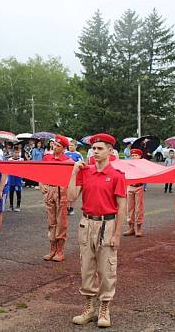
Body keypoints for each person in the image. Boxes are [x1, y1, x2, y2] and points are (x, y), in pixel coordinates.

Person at [67, 133, 127, 328]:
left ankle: (104, 308)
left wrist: (117, 234)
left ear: (110, 150)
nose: (95, 151)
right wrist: (74, 172)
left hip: (107, 225)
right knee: (87, 268)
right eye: (94, 148)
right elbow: (71, 197)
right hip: (87, 223)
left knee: (107, 268)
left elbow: (122, 207)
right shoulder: (86, 172)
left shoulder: (117, 176)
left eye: (100, 148)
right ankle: (89, 308)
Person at [40, 135, 72, 262]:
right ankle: (52, 249)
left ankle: (60, 250)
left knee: (61, 221)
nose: (55, 147)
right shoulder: (47, 158)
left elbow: (72, 178)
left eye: (58, 145)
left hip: (61, 190)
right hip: (49, 189)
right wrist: (41, 184)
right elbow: (41, 172)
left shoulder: (68, 161)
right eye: (54, 144)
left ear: (64, 148)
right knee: (51, 221)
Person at [124, 149, 145, 237]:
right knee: (130, 208)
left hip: (139, 187)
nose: (134, 157)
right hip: (130, 187)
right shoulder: (128, 165)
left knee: (139, 208)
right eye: (132, 155)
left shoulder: (143, 165)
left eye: (136, 155)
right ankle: (131, 227)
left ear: (140, 156)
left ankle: (139, 227)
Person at [65, 139, 83, 215]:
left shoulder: (78, 154)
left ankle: (71, 208)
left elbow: (82, 164)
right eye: (69, 145)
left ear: (76, 146)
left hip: (75, 176)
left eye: (72, 145)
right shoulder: (65, 153)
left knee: (74, 193)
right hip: (66, 176)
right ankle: (66, 208)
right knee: (66, 192)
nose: (70, 147)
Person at [8, 147, 23, 212]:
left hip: (18, 178)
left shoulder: (21, 160)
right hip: (11, 178)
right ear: (12, 152)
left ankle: (18, 205)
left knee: (18, 192)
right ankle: (11, 205)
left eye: (17, 152)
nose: (16, 154)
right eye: (15, 152)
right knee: (11, 192)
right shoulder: (9, 160)